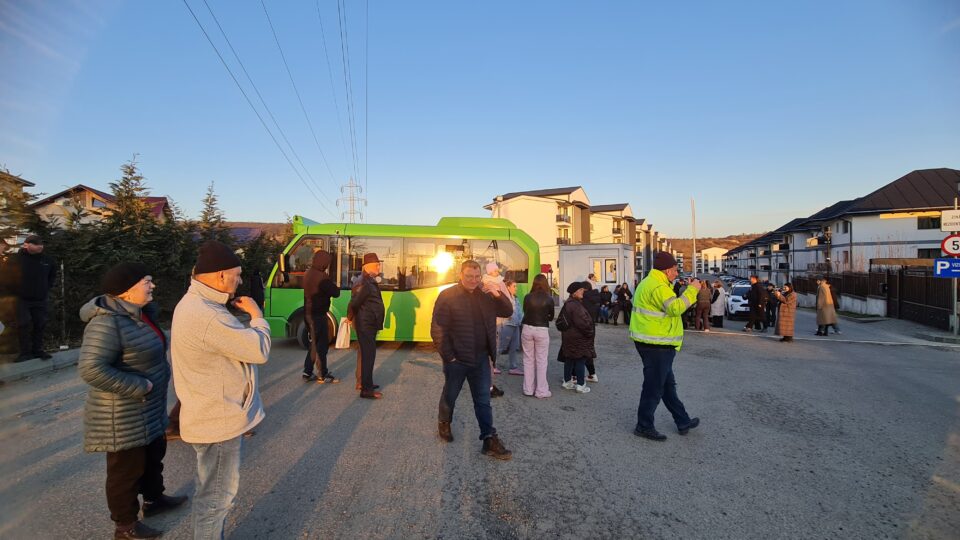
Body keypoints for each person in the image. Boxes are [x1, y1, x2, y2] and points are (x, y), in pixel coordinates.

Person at [171, 240, 271, 540]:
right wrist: (256, 315)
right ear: (220, 276)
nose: (239, 281)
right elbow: (259, 350)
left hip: (208, 413)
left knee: (210, 494)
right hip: (217, 420)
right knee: (216, 499)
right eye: (237, 275)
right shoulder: (209, 315)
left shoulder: (196, 304)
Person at [79, 262, 186, 540]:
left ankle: (154, 500)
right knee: (125, 472)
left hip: (148, 407)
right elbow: (91, 369)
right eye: (146, 281)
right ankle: (125, 526)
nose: (152, 286)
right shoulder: (107, 322)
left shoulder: (141, 314)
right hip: (123, 414)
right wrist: (139, 386)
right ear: (125, 291)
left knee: (152, 457)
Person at [432, 260, 514, 460]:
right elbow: (438, 329)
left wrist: (497, 293)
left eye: (477, 277)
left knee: (483, 400)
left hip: (480, 359)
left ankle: (489, 439)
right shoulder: (447, 296)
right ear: (461, 275)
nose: (474, 280)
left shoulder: (486, 296)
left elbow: (507, 311)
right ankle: (444, 422)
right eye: (469, 276)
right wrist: (449, 356)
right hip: (457, 360)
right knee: (450, 394)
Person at [631, 252, 701, 442]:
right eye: (675, 270)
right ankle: (643, 426)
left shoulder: (651, 282)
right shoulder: (658, 286)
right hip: (656, 344)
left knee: (667, 386)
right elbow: (675, 308)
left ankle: (682, 420)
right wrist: (692, 290)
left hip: (654, 342)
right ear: (667, 270)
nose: (677, 273)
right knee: (654, 387)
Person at [13, 235, 57, 362]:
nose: (40, 246)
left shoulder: (47, 260)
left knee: (40, 324)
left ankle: (38, 350)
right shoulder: (16, 259)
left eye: (41, 244)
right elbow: (7, 276)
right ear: (27, 245)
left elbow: (52, 275)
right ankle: (25, 353)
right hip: (22, 299)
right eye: (36, 244)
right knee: (23, 325)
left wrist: (46, 288)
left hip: (40, 299)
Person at [348, 253, 386, 398]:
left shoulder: (367, 280)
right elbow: (354, 303)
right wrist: (350, 317)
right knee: (368, 356)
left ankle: (365, 383)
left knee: (366, 355)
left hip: (368, 323)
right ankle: (366, 390)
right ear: (368, 266)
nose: (379, 267)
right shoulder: (364, 282)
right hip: (366, 324)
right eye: (377, 265)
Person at [302, 250, 340, 383]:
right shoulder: (322, 277)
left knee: (314, 343)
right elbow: (336, 292)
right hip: (318, 316)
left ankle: (307, 372)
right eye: (327, 262)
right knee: (321, 346)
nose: (328, 265)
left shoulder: (308, 273)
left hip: (308, 314)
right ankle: (322, 374)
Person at [520, 274, 554, 398]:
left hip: (527, 328)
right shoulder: (549, 298)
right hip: (541, 329)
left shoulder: (527, 297)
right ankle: (541, 390)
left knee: (528, 359)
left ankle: (528, 389)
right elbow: (551, 316)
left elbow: (525, 311)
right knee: (541, 360)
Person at [559, 282, 594, 394]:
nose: (583, 291)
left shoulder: (569, 303)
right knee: (580, 359)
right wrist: (590, 332)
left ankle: (567, 382)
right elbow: (583, 323)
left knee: (569, 359)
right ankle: (580, 385)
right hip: (578, 338)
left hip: (569, 337)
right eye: (581, 290)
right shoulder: (576, 305)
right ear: (575, 292)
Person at [482, 262, 509, 392]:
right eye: (494, 270)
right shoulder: (499, 283)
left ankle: (487, 384)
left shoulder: (482, 282)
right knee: (491, 353)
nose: (497, 272)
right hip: (495, 322)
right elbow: (508, 303)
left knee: (486, 354)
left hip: (486, 321)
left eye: (497, 270)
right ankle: (489, 386)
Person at [498, 279, 523, 375]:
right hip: (507, 325)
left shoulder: (515, 298)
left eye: (516, 286)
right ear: (508, 287)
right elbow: (502, 311)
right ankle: (493, 365)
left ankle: (513, 367)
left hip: (516, 325)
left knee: (514, 347)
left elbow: (519, 311)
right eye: (514, 286)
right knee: (501, 346)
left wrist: (521, 320)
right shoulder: (505, 299)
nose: (516, 288)